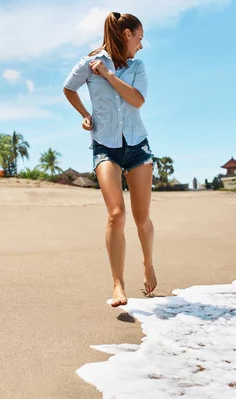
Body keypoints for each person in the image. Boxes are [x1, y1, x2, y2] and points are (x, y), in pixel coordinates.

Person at [63, 12, 157, 307]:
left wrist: (108, 75)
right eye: (139, 37)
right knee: (116, 214)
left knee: (142, 221)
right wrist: (86, 115)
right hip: (105, 146)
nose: (141, 44)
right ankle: (118, 284)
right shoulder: (88, 63)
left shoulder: (137, 66)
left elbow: (137, 100)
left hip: (138, 147)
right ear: (127, 34)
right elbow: (68, 88)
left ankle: (148, 263)